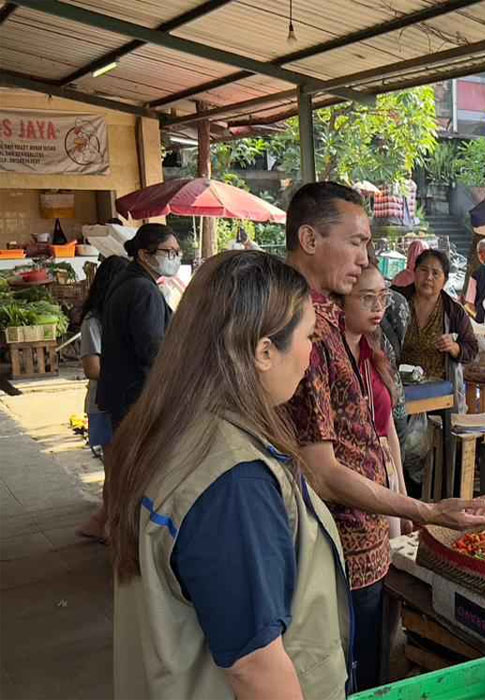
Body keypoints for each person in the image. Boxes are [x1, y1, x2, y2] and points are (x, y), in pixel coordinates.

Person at [108, 251, 351, 699]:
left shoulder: (168, 428)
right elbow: (256, 669)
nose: (310, 354)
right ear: (264, 352)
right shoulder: (234, 482)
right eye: (309, 336)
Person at [283, 182, 485, 691]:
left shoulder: (335, 327)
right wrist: (427, 511)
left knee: (370, 660)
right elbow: (322, 471)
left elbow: (373, 435)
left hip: (366, 532)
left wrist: (401, 508)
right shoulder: (299, 327)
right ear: (309, 240)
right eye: (356, 242)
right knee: (346, 671)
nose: (365, 257)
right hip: (334, 544)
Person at [341, 264, 409, 537]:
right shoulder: (329, 358)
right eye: (367, 297)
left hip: (385, 472)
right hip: (350, 485)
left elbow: (388, 428)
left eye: (382, 297)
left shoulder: (375, 352)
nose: (378, 307)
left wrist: (402, 494)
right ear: (342, 299)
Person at [97, 223, 179, 429]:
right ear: (144, 254)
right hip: (137, 396)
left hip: (123, 394)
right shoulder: (143, 289)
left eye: (177, 252)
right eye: (169, 252)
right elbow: (152, 349)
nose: (175, 258)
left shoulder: (128, 280)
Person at [74, 255, 130, 541]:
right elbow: (92, 369)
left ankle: (106, 522)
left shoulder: (123, 317)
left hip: (122, 401)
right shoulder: (94, 322)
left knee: (122, 467)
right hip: (104, 403)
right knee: (114, 468)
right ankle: (105, 523)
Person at [397, 248, 480, 382]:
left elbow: (471, 349)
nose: (428, 277)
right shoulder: (397, 302)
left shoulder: (454, 311)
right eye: (423, 270)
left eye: (435, 273)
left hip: (437, 388)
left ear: (445, 281)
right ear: (415, 272)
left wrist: (454, 347)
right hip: (397, 385)